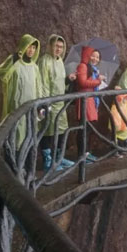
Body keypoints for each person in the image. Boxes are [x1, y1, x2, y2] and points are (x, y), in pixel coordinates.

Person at [37, 34, 75, 171]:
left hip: (60, 102)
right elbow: (43, 83)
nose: (58, 49)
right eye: (56, 46)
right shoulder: (44, 61)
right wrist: (45, 102)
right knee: (47, 130)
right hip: (49, 102)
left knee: (61, 130)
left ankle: (59, 158)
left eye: (61, 47)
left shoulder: (60, 61)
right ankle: (48, 161)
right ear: (50, 46)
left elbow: (59, 82)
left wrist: (68, 80)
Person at [0, 34, 42, 148]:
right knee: (16, 134)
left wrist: (40, 104)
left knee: (29, 133)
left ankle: (26, 157)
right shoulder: (15, 63)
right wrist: (12, 61)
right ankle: (14, 157)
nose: (31, 50)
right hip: (16, 105)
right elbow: (1, 73)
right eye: (29, 46)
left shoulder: (35, 67)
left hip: (31, 107)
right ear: (23, 46)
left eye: (34, 48)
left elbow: (38, 87)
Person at [75, 47, 105, 162]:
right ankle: (82, 154)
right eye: (93, 55)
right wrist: (98, 81)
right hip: (85, 99)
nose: (95, 58)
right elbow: (83, 82)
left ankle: (86, 152)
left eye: (97, 57)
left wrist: (98, 79)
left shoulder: (93, 69)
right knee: (84, 127)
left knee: (88, 127)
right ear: (87, 55)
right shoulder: (83, 66)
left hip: (90, 99)